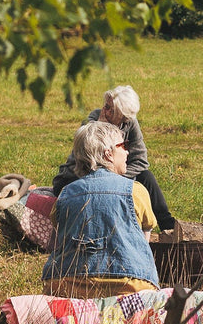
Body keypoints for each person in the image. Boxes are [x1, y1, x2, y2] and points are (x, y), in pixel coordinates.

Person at [42, 119, 160, 298]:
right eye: (123, 145)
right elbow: (145, 238)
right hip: (129, 284)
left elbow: (59, 233)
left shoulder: (65, 195)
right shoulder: (135, 191)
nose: (127, 151)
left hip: (67, 285)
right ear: (108, 154)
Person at [51, 85, 176, 231]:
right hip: (80, 175)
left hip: (120, 174)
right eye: (106, 106)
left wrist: (119, 177)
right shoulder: (92, 122)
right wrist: (101, 126)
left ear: (124, 116)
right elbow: (89, 163)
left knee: (147, 177)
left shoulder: (130, 124)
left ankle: (169, 227)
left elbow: (141, 161)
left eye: (112, 110)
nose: (107, 111)